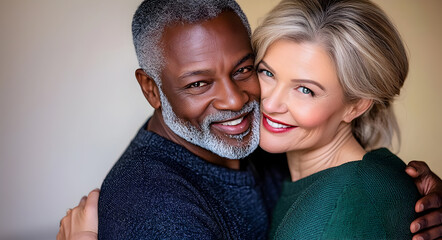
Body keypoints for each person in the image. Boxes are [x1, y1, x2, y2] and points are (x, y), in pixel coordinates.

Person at [57, 0, 442, 239]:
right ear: (152, 90)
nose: (241, 100)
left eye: (245, 70)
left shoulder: (269, 146)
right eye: (199, 83)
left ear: (356, 105)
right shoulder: (154, 208)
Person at [251, 0, 437, 239]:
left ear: (356, 106)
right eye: (267, 73)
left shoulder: (346, 204)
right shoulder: (280, 169)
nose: (269, 104)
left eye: (305, 90)